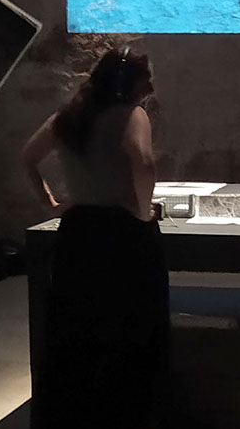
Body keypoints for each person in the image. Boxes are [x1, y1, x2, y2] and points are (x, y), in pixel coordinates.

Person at [20, 46, 170, 428]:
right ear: (129, 83)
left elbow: (28, 157)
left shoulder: (69, 117)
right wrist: (143, 211)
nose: (151, 87)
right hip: (124, 235)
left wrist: (51, 204)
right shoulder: (131, 115)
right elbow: (143, 161)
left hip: (79, 233)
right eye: (146, 79)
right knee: (131, 329)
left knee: (78, 329)